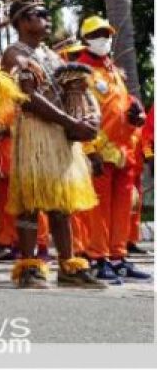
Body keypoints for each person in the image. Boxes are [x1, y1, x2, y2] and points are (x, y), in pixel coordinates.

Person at [0, 0, 104, 289]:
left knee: (61, 203)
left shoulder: (51, 55)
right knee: (31, 202)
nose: (47, 20)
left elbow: (78, 90)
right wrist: (70, 122)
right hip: (35, 132)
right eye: (40, 14)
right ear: (22, 21)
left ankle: (68, 265)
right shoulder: (15, 54)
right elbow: (28, 98)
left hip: (60, 134)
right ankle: (29, 267)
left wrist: (90, 120)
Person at [73, 16, 151, 283]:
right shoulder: (79, 72)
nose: (103, 39)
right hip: (98, 151)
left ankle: (118, 258)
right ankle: (98, 258)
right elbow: (78, 113)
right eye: (97, 34)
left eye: (106, 34)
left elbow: (124, 104)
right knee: (97, 211)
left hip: (123, 152)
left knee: (121, 210)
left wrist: (136, 114)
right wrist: (89, 150)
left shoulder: (113, 70)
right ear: (85, 40)